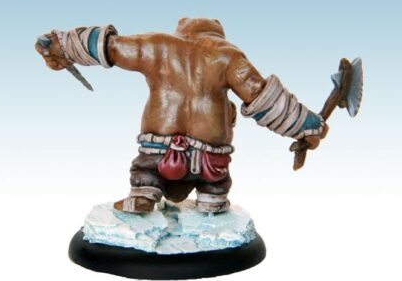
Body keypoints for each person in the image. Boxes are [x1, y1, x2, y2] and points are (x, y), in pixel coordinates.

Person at [35, 18, 328, 213]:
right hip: (212, 155)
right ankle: (212, 203)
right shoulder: (229, 56)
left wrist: (61, 44)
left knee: (146, 174)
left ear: (183, 30)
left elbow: (110, 47)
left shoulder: (157, 45)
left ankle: (143, 194)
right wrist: (307, 126)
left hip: (158, 149)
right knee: (215, 187)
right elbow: (264, 97)